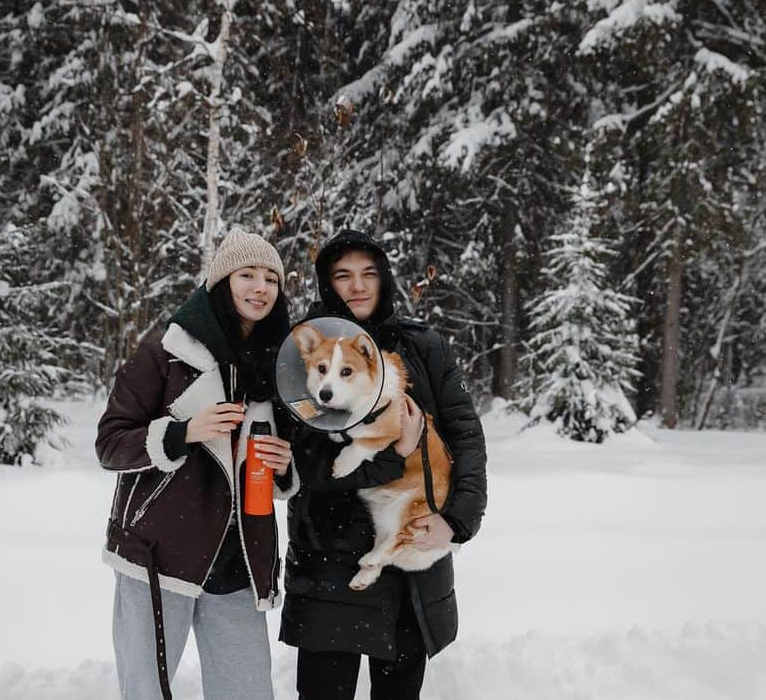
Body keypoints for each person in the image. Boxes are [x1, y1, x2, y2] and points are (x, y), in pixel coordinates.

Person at [279, 229, 488, 700]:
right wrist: (394, 455)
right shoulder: (301, 356)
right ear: (326, 283)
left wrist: (457, 521)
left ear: (385, 279)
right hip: (329, 564)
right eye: (343, 276)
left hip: (408, 563)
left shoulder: (423, 345)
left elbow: (466, 437)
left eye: (368, 274)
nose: (357, 286)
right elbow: (309, 463)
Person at [96, 229, 301, 700]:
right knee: (148, 690)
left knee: (248, 693)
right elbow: (110, 444)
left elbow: (280, 462)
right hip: (159, 553)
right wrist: (182, 431)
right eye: (246, 274)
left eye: (271, 277)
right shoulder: (166, 352)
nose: (260, 287)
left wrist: (284, 464)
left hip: (239, 558)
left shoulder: (280, 365)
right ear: (220, 283)